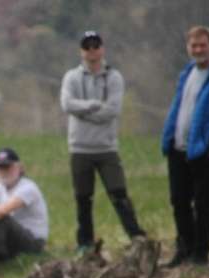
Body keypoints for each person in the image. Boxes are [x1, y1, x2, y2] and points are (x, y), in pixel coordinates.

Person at [59, 30, 146, 255]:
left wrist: (82, 112)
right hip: (79, 148)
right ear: (81, 51)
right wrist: (92, 105)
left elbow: (112, 111)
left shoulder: (114, 77)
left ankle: (137, 238)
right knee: (83, 199)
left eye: (95, 46)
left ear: (102, 49)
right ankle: (85, 243)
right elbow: (67, 104)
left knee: (119, 194)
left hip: (107, 148)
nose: (92, 51)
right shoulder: (71, 77)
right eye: (87, 47)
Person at [161, 26, 209, 268]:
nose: (198, 50)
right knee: (179, 201)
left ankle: (201, 252)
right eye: (194, 45)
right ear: (188, 47)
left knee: (203, 203)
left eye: (202, 45)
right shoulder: (187, 73)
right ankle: (183, 248)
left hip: (202, 153)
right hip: (178, 148)